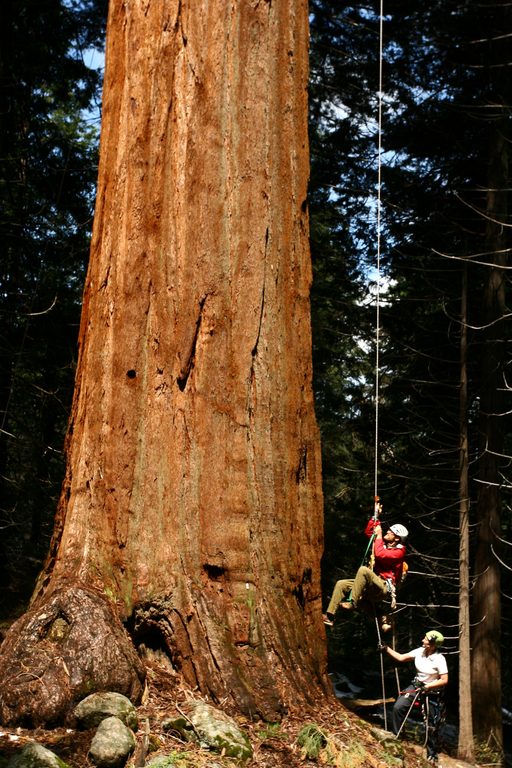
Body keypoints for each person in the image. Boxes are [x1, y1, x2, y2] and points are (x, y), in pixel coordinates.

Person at [323, 501, 408, 629]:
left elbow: (380, 555)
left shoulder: (399, 552)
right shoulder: (384, 544)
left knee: (363, 570)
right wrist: (375, 517)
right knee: (341, 584)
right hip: (372, 584)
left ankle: (352, 602)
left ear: (397, 539)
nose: (387, 532)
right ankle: (330, 616)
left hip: (383, 586)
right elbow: (369, 533)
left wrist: (379, 535)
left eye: (391, 532)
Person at [380, 630, 448, 765]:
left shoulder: (439, 659)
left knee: (431, 725)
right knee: (398, 707)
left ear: (432, 644)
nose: (423, 640)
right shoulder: (420, 651)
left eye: (426, 639)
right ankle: (395, 738)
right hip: (416, 685)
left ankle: (432, 755)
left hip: (431, 691)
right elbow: (401, 657)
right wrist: (386, 648)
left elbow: (444, 679)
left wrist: (428, 687)